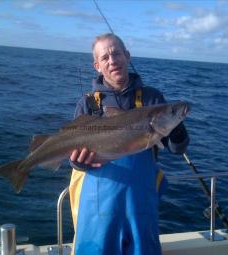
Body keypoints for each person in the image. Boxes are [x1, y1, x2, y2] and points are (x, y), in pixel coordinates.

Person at [68, 33, 189, 255]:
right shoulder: (87, 105)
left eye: (117, 53)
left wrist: (176, 124)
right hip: (97, 209)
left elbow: (177, 149)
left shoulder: (153, 98)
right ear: (97, 66)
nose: (112, 60)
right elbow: (75, 162)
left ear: (127, 56)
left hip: (140, 206)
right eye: (105, 57)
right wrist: (78, 163)